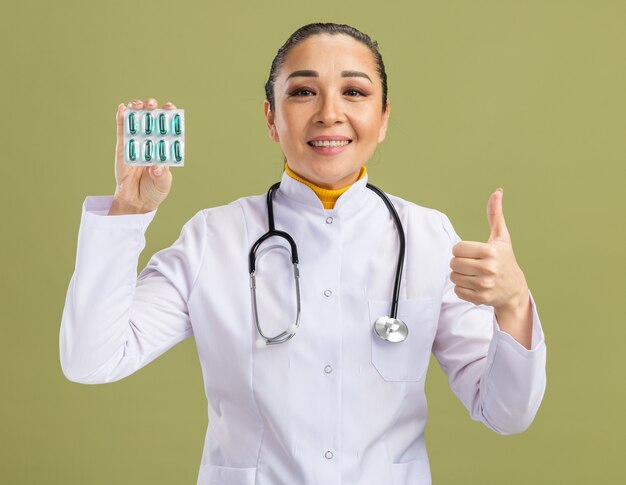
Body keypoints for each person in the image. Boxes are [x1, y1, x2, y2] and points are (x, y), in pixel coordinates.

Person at [59, 22, 547, 485]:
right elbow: (91, 359)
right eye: (302, 91)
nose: (329, 113)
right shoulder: (215, 237)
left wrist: (513, 303)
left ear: (383, 119)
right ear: (271, 117)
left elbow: (505, 412)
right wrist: (128, 210)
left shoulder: (427, 236)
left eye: (354, 92)